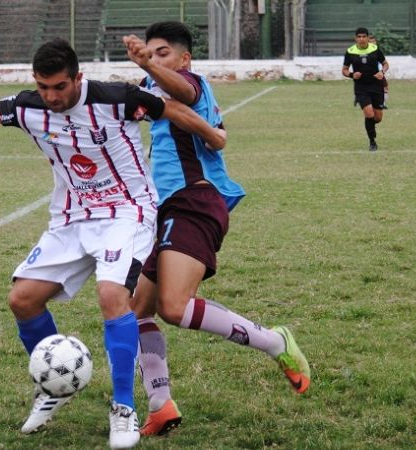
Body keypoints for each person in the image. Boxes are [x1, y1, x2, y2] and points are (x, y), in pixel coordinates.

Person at [0, 38, 226, 449]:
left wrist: (213, 134)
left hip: (127, 212)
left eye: (59, 87)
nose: (50, 96)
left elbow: (172, 109)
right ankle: (55, 388)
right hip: (70, 219)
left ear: (78, 79)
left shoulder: (117, 98)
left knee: (111, 295)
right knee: (23, 300)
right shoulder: (28, 106)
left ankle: (124, 407)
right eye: (43, 86)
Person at [123, 22, 311, 437]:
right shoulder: (154, 87)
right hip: (167, 208)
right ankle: (160, 404)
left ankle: (275, 342)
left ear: (184, 58)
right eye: (149, 55)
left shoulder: (188, 83)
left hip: (193, 201)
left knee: (173, 307)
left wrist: (147, 67)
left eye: (162, 54)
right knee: (137, 311)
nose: (154, 61)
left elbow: (184, 94)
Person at [342, 27, 389, 152]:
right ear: (355, 38)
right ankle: (372, 141)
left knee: (377, 118)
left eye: (364, 36)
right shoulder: (350, 51)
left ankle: (370, 125)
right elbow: (344, 70)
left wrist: (382, 72)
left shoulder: (374, 49)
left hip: (376, 86)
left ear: (368, 37)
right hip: (361, 87)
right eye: (359, 37)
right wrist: (352, 75)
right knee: (369, 113)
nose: (361, 39)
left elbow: (385, 64)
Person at [368, 34, 389, 109]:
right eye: (371, 42)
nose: (373, 43)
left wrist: (382, 72)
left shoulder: (377, 52)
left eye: (374, 41)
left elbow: (385, 63)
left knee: (385, 87)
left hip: (377, 73)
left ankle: (383, 103)